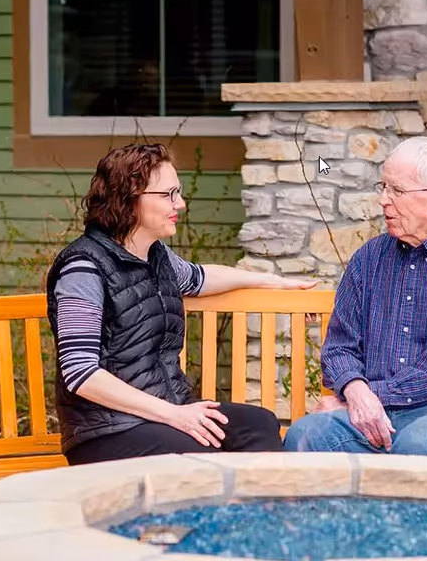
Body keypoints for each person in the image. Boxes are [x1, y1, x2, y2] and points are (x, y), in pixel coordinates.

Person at [46, 143, 315, 465]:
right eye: (169, 194)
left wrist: (275, 282)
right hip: (105, 433)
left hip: (162, 413)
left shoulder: (154, 255)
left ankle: (264, 510)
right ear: (130, 198)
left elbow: (198, 279)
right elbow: (81, 373)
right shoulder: (83, 268)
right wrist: (174, 415)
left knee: (259, 423)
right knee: (204, 455)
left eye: (179, 192)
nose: (181, 204)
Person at [282, 137, 427, 458]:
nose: (383, 200)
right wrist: (355, 390)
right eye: (383, 187)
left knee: (417, 445)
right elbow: (339, 348)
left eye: (397, 191)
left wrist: (368, 394)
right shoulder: (368, 259)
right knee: (305, 436)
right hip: (369, 413)